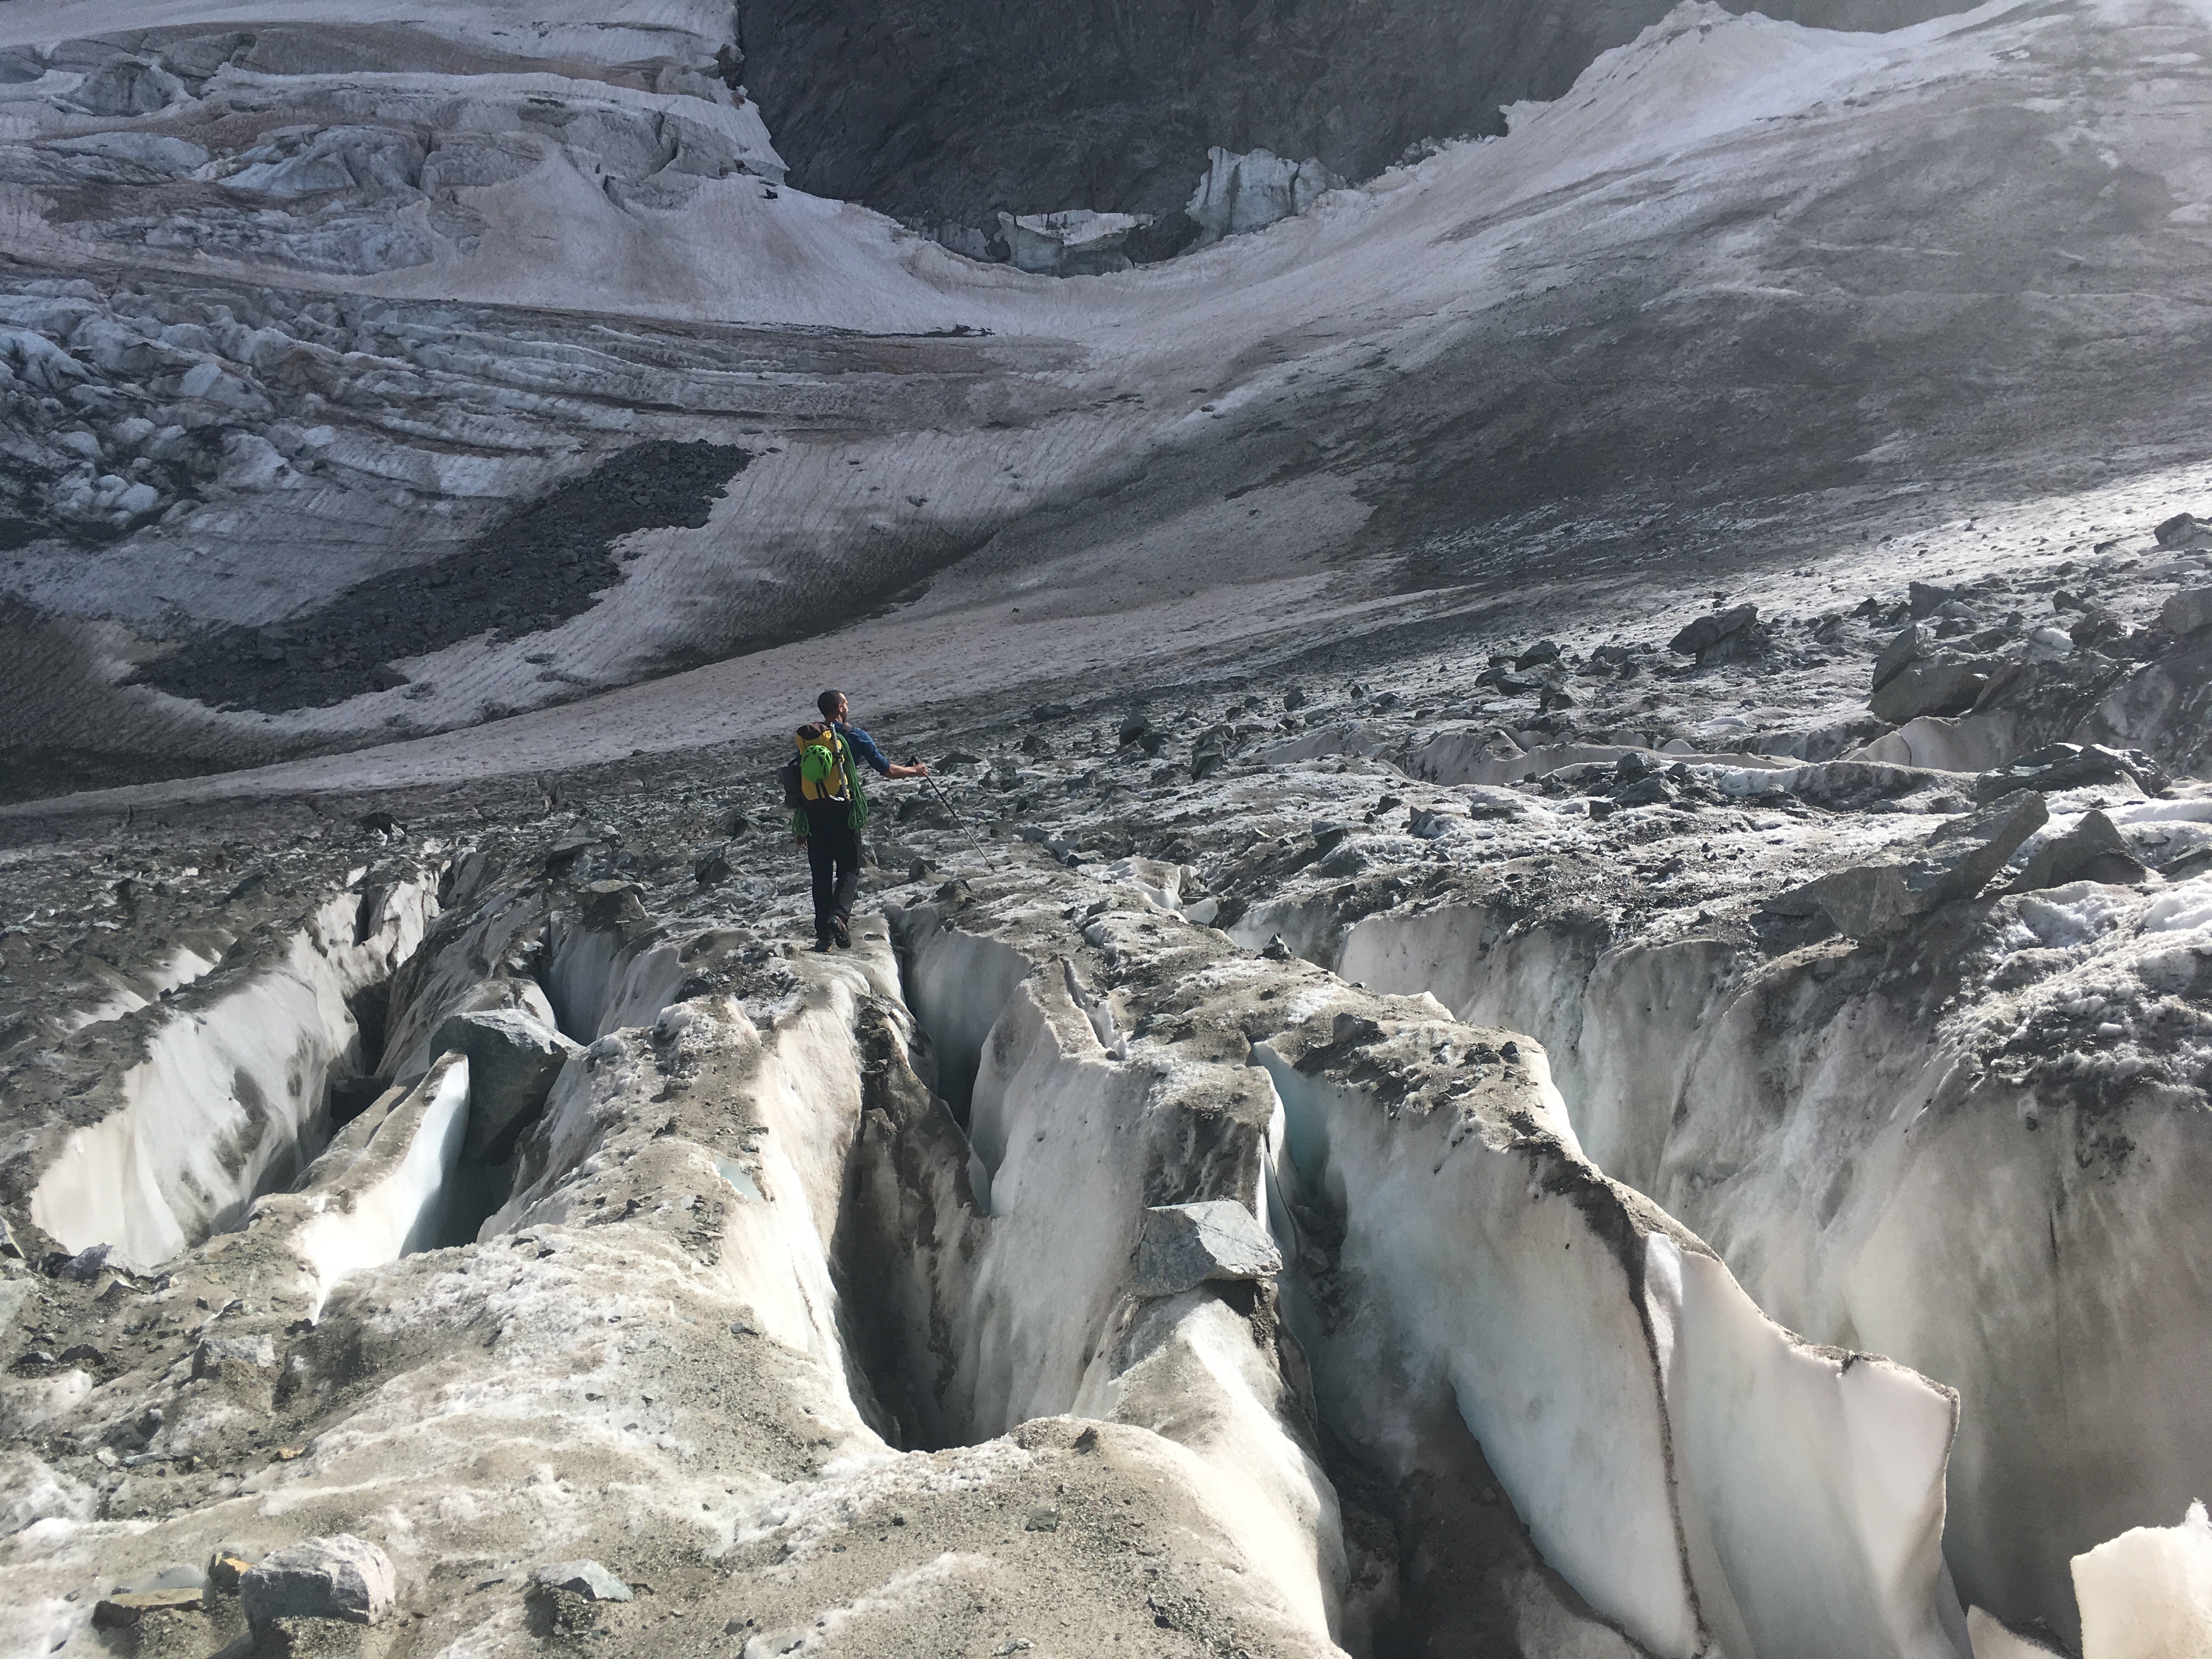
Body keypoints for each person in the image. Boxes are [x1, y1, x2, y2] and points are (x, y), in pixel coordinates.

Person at [792, 689, 929, 951]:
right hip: (843, 811)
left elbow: (801, 782)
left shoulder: (810, 740)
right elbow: (887, 770)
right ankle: (839, 916)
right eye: (846, 703)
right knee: (849, 868)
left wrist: (800, 827)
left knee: (820, 875)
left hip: (813, 813)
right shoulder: (854, 736)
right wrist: (915, 770)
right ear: (841, 708)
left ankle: (824, 938)